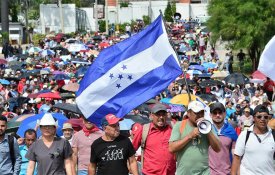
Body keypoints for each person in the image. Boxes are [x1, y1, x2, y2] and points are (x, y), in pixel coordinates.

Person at [169, 101, 221, 175]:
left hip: (204, 172)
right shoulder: (179, 125)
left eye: (201, 112)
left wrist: (207, 130)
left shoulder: (208, 125)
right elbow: (171, 148)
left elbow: (218, 148)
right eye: (196, 113)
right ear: (189, 113)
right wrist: (189, 136)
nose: (199, 115)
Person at [132, 103, 176, 175]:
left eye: (163, 114)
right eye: (158, 114)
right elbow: (131, 151)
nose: (161, 117)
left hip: (170, 172)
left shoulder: (172, 127)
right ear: (152, 116)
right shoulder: (144, 130)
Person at [231, 105, 275, 175]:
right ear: (254, 118)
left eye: (266, 117)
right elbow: (236, 158)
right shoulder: (244, 135)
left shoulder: (273, 135)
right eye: (259, 117)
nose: (262, 119)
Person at [209, 102, 238, 175]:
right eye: (215, 113)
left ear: (224, 114)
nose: (217, 115)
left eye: (220, 113)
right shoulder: (206, 130)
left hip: (226, 173)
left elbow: (235, 156)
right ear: (210, 115)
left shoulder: (231, 131)